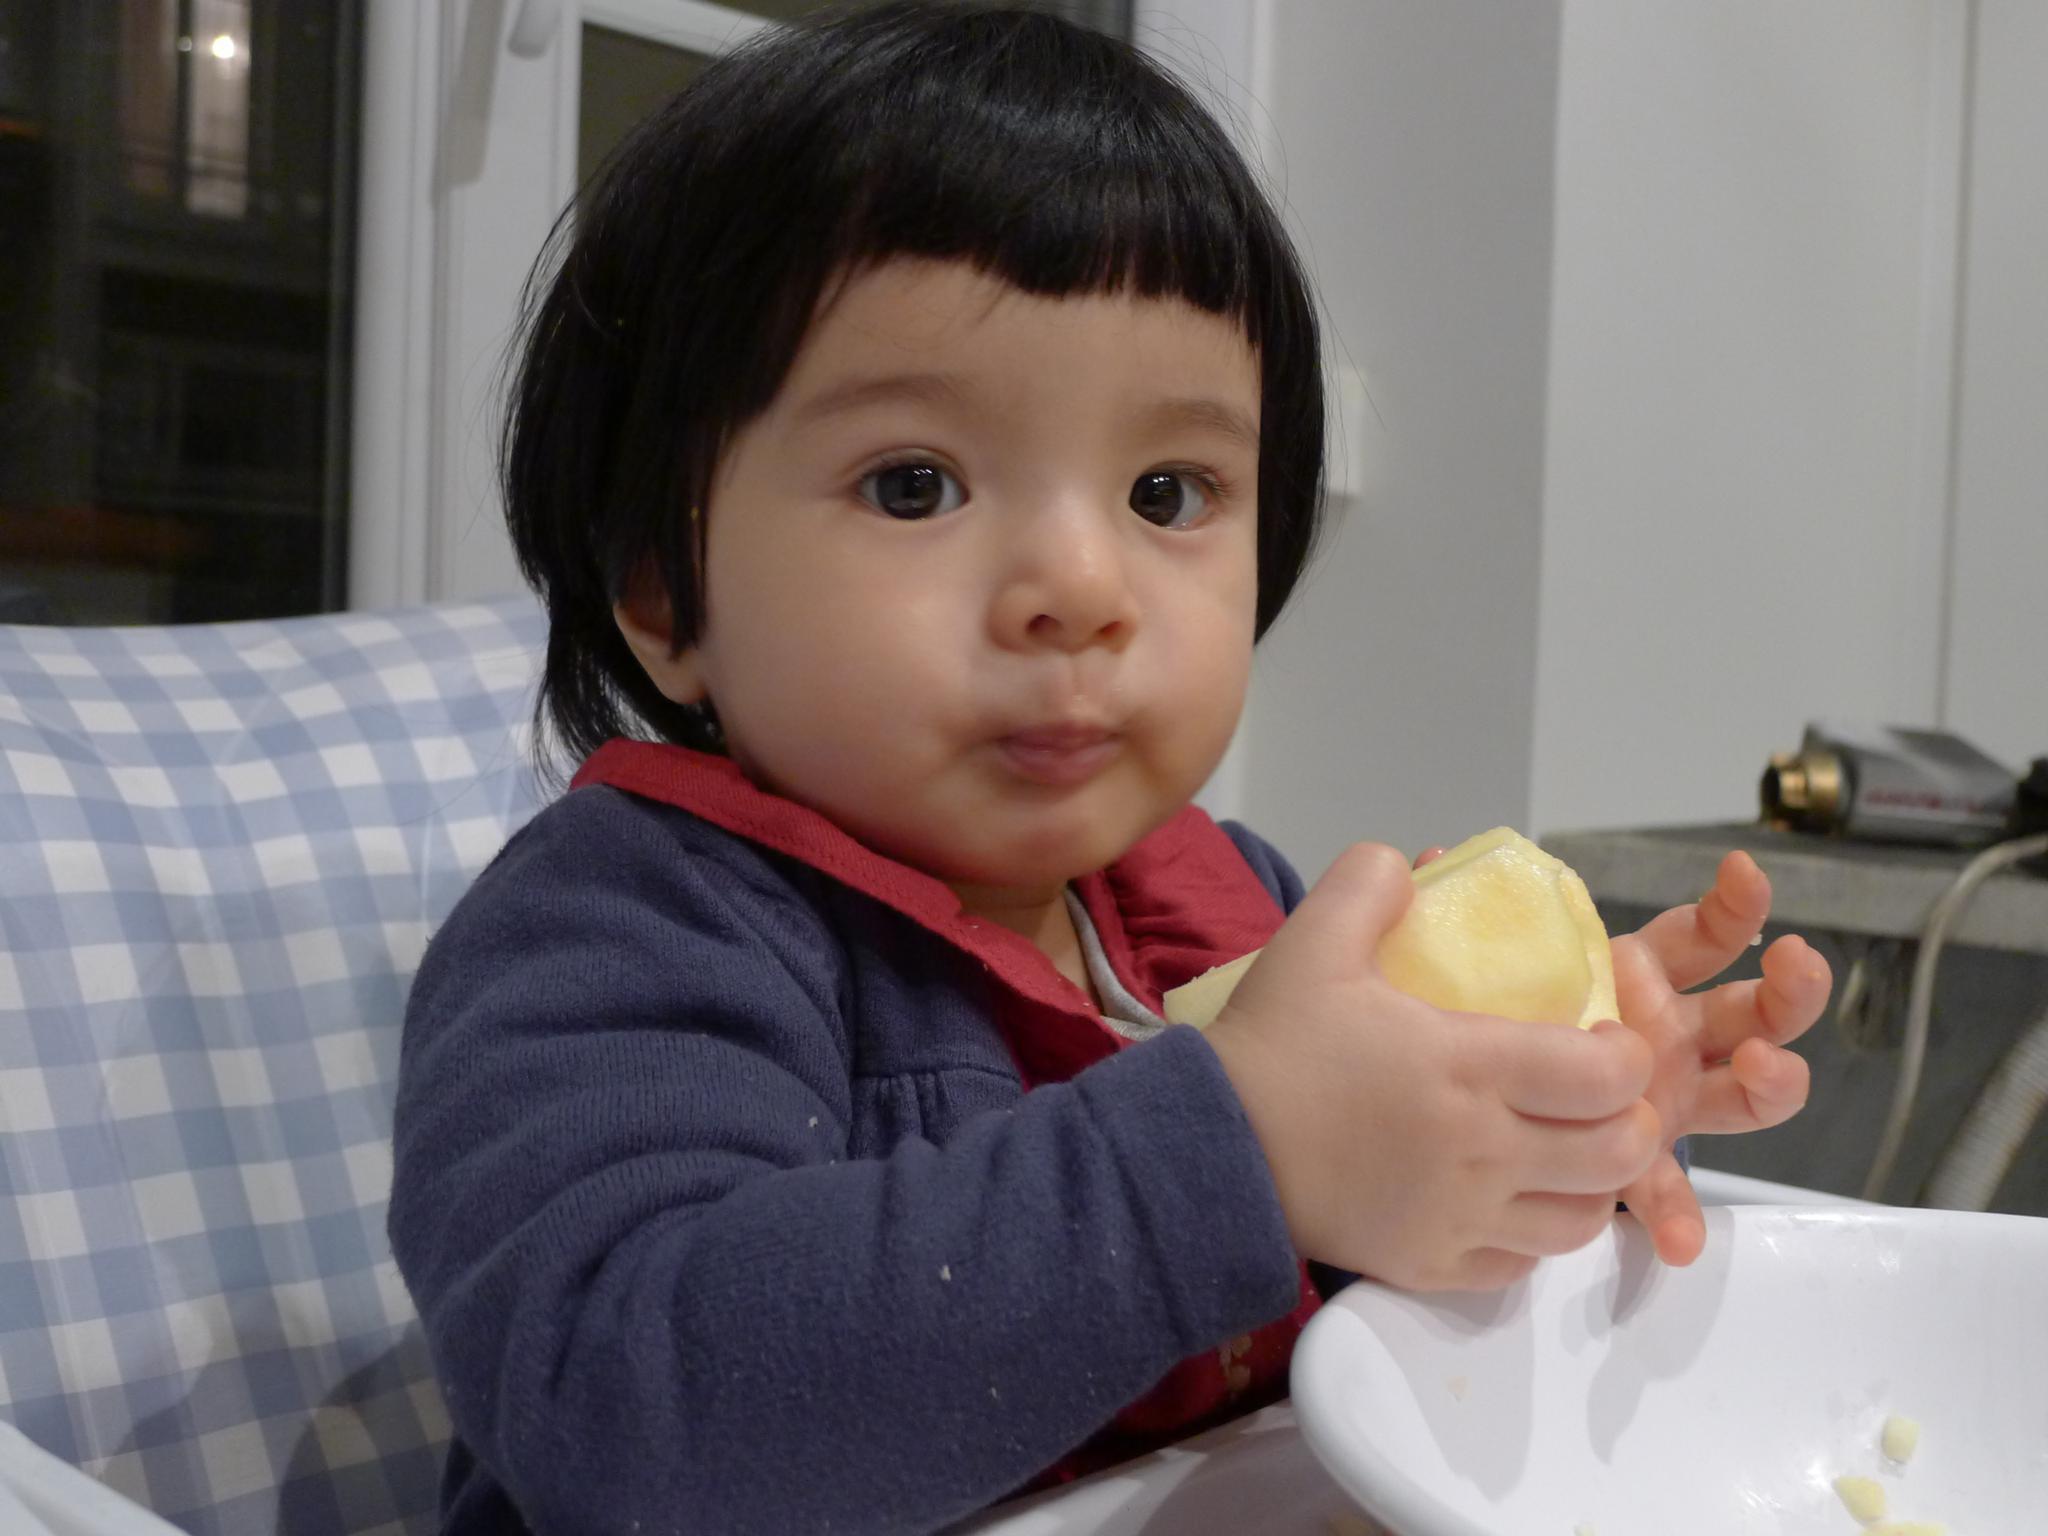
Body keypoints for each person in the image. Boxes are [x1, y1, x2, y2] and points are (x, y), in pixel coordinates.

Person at [387, 6, 1832, 1534]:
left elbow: (1371, 1321)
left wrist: (1547, 1133)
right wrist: (1243, 1149)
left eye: (1167, 492)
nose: (1081, 587)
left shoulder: (1239, 905)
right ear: (664, 593)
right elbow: (632, 1419)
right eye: (914, 484)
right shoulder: (624, 930)